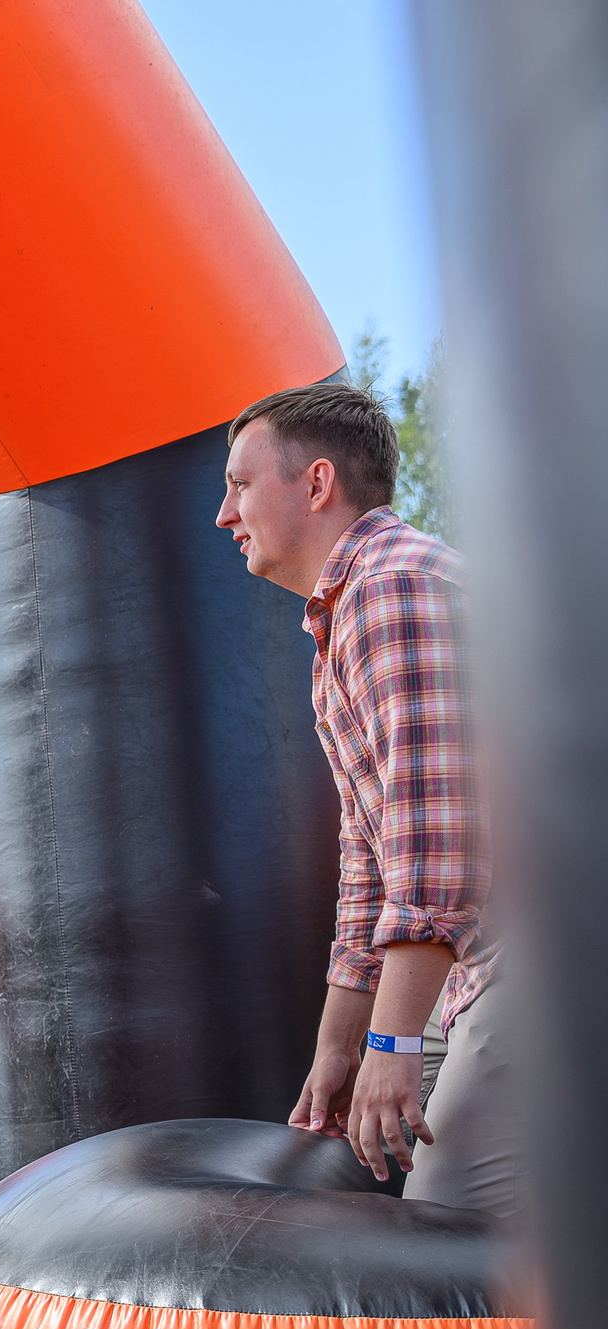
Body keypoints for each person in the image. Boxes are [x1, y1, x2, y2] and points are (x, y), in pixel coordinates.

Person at [217, 381, 506, 1216]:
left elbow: (436, 845)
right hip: (480, 967)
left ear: (314, 484)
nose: (224, 516)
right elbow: (368, 865)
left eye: (239, 484)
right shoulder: (343, 617)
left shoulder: (393, 587)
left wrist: (392, 1039)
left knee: (453, 1215)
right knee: (382, 1169)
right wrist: (338, 1049)